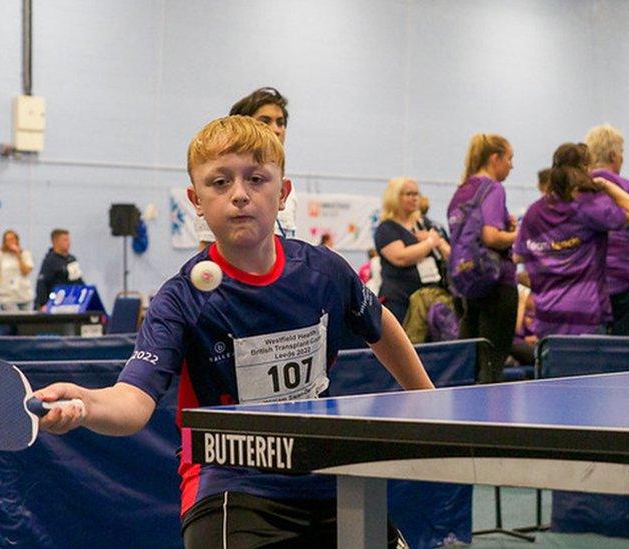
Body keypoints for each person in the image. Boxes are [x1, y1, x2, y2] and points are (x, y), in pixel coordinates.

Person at [35, 116, 434, 548]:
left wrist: (428, 401)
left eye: (257, 179)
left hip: (328, 473)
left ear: (282, 193)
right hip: (233, 485)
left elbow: (378, 323)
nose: (240, 194)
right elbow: (133, 401)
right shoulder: (180, 299)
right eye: (220, 182)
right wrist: (87, 402)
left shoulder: (323, 271)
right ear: (197, 201)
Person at [514, 142, 629, 337]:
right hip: (586, 316)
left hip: (547, 316)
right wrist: (606, 184)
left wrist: (553, 254)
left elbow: (519, 257)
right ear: (585, 169)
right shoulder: (587, 208)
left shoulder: (534, 212)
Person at [447, 133, 518, 383]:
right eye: (509, 158)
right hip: (496, 282)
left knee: (470, 363)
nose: (511, 165)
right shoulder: (493, 188)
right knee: (492, 364)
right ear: (494, 158)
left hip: (467, 284)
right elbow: (490, 236)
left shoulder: (461, 191)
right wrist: (517, 234)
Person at [584, 124, 629, 336]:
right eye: (622, 153)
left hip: (588, 285)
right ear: (613, 155)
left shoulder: (578, 187)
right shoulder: (626, 188)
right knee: (625, 354)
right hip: (625, 285)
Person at [374, 177, 447, 323]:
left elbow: (450, 253)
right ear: (395, 197)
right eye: (409, 194)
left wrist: (438, 243)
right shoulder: (387, 228)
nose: (415, 198)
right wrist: (430, 242)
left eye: (416, 194)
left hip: (432, 298)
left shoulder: (426, 223)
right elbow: (401, 257)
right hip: (400, 301)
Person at [229, 86, 297, 239]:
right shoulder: (226, 185)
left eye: (280, 123)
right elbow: (208, 251)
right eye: (265, 121)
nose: (276, 129)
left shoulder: (286, 188)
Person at [34, 228, 86, 310]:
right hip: (55, 302)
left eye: (69, 240)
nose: (68, 243)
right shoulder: (50, 260)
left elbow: (78, 279)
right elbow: (42, 283)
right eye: (65, 240)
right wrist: (42, 304)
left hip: (71, 301)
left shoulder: (71, 259)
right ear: (55, 242)